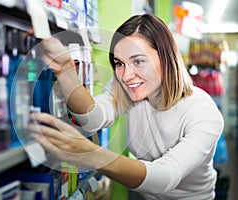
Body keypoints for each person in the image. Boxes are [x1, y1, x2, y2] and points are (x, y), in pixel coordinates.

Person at [28, 13, 224, 199]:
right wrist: (65, 72)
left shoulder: (203, 112)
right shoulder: (127, 87)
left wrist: (93, 156)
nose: (126, 75)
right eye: (119, 63)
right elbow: (93, 118)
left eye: (138, 61)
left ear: (166, 57)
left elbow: (167, 176)